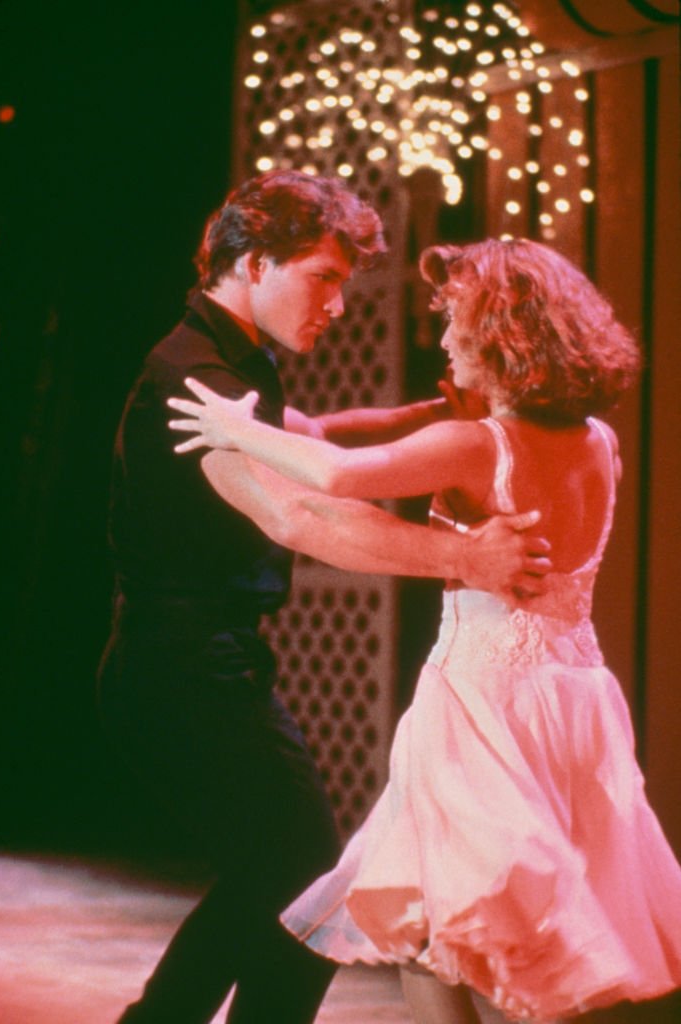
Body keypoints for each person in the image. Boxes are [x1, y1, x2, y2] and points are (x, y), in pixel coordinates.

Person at [168, 236, 681, 1024]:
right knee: (441, 917)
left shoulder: (477, 445)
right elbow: (342, 441)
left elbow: (339, 475)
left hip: (482, 704)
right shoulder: (598, 444)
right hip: (574, 699)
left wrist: (229, 428)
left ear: (501, 338)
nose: (441, 342)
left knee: (479, 927)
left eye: (454, 325)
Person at [97, 172, 552, 1024]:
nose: (337, 304)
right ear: (255, 260)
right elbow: (302, 514)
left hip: (200, 660)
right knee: (302, 877)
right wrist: (466, 558)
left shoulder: (232, 359)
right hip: (180, 666)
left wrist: (428, 415)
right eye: (324, 277)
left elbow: (311, 438)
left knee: (275, 873)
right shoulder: (195, 377)